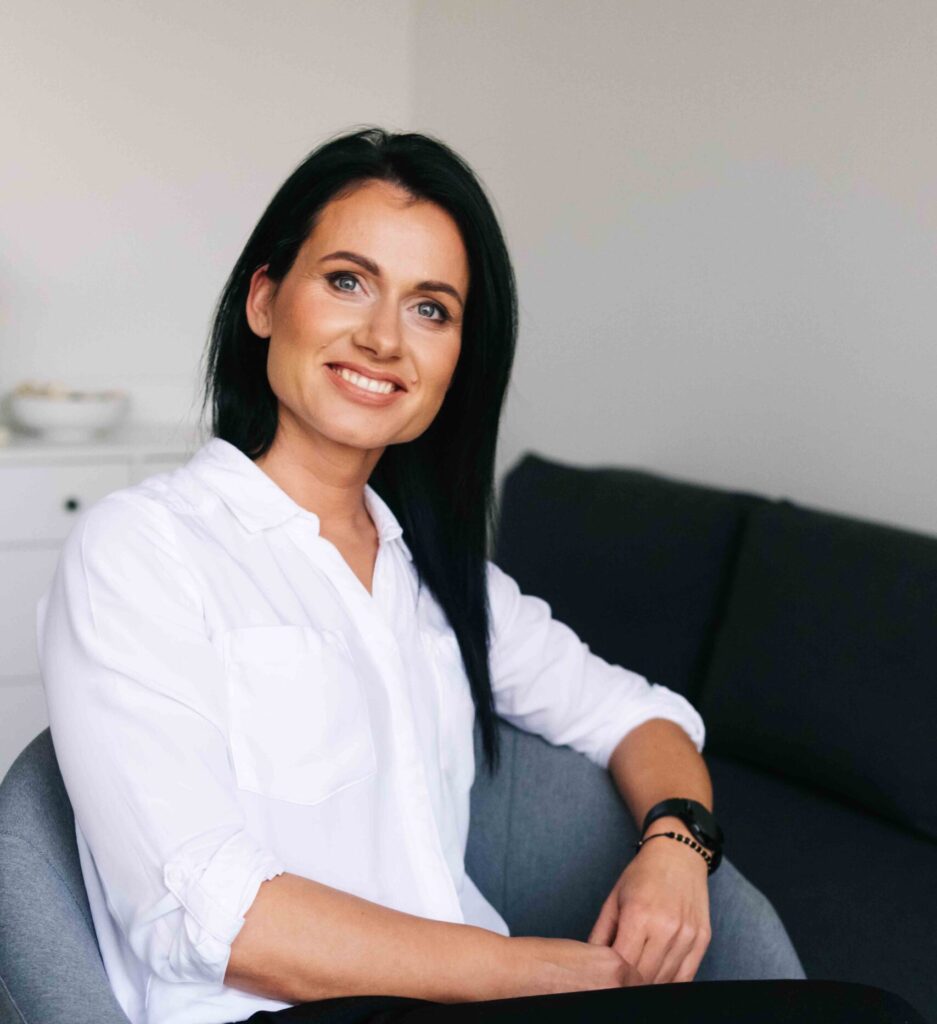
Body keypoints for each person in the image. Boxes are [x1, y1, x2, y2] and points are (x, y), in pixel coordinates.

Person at [38, 126, 813, 1024]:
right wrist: (535, 973)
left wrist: (679, 846)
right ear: (264, 300)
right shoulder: (144, 550)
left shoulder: (443, 581)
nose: (381, 338)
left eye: (430, 309)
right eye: (347, 281)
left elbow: (638, 717)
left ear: (457, 359)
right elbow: (206, 915)